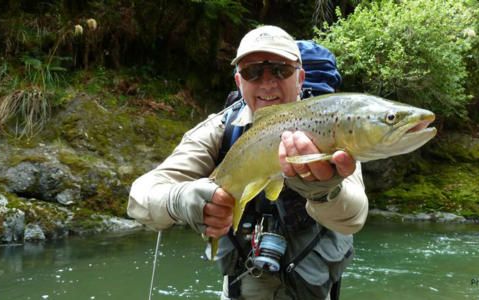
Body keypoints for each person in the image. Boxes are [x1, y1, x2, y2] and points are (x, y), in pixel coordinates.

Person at [127, 25, 368, 300]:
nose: (267, 83)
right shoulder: (219, 131)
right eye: (252, 72)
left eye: (281, 70)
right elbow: (139, 198)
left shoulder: (331, 128)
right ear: (239, 82)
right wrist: (181, 199)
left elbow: (353, 218)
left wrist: (324, 190)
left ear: (300, 78)